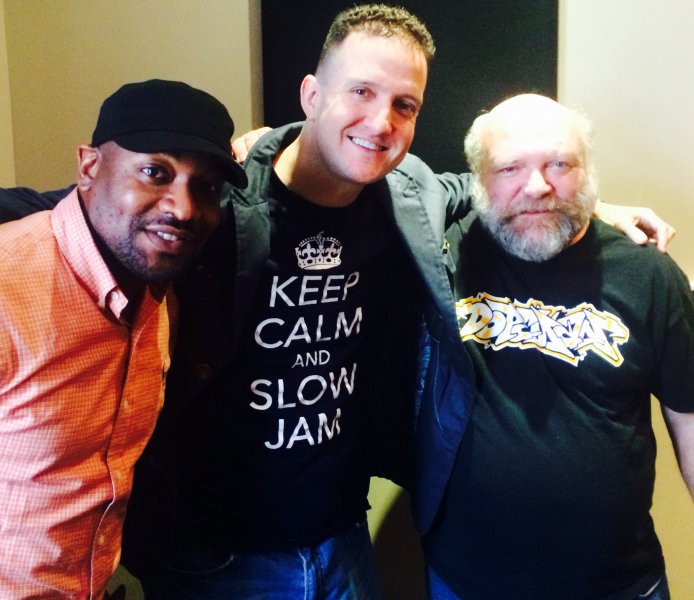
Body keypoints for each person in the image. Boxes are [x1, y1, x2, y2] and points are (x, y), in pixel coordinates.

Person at [0, 6, 675, 600]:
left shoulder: (409, 199)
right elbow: (97, 209)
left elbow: (498, 188)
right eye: (360, 91)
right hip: (214, 554)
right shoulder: (217, 201)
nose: (381, 122)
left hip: (341, 538)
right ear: (311, 94)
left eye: (404, 105)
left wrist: (593, 206)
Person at [423, 93, 694, 600]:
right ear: (479, 180)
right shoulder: (440, 255)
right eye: (510, 167)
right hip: (464, 582)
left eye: (559, 164)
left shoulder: (650, 276)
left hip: (617, 585)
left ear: (587, 171)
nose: (537, 186)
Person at [0, 78, 246, 599]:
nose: (183, 208)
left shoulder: (161, 292)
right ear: (89, 167)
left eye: (205, 187)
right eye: (155, 172)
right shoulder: (8, 284)